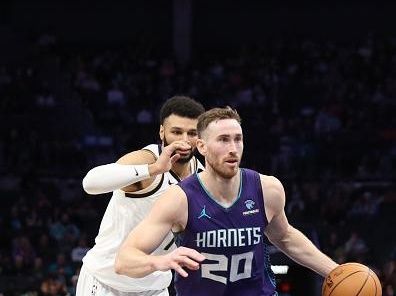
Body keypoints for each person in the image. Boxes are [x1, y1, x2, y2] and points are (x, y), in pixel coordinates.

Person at [115, 107, 339, 296]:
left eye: (237, 139)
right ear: (201, 147)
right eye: (223, 140)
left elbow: (285, 237)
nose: (232, 148)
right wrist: (159, 262)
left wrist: (336, 271)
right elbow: (124, 261)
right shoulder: (179, 198)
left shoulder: (267, 188)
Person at [76, 96, 205, 296]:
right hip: (106, 282)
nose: (184, 141)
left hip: (155, 287)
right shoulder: (146, 160)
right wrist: (153, 169)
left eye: (192, 133)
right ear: (162, 132)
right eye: (176, 132)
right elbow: (90, 183)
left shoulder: (201, 175)